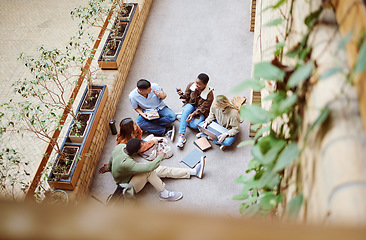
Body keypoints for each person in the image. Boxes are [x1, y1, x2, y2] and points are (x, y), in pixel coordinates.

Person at [99, 138, 205, 201]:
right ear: (135, 153)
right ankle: (164, 194)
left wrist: (108, 168)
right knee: (149, 171)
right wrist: (160, 156)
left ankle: (193, 172)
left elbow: (112, 159)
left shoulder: (120, 147)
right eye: (141, 147)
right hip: (127, 186)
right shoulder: (128, 163)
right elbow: (149, 167)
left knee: (160, 169)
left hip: (130, 174)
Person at [175, 73, 214, 148]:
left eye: (199, 84)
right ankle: (181, 136)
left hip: (201, 111)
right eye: (196, 82)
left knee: (194, 125)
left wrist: (192, 114)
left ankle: (183, 117)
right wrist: (182, 95)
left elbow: (202, 109)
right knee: (187, 109)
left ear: (205, 84)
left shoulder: (210, 94)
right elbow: (187, 97)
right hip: (191, 105)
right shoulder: (191, 85)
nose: (196, 85)